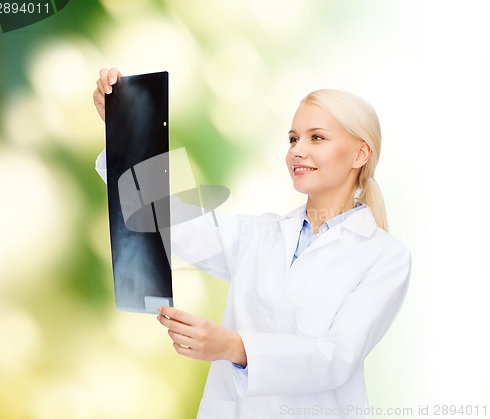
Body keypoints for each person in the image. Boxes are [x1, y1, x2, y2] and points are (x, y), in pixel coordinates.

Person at [93, 68, 411, 419]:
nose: (297, 151)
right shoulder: (258, 236)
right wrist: (125, 129)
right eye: (293, 139)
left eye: (316, 138)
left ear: (359, 154)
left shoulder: (385, 257)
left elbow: (335, 357)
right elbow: (161, 217)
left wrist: (233, 346)